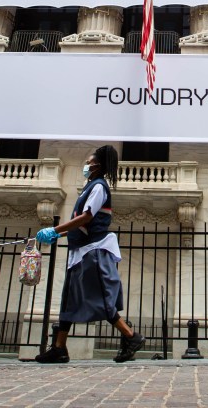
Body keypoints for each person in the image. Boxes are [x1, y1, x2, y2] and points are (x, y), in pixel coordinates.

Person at [33, 145, 146, 364]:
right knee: (68, 299)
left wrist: (55, 230)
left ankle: (131, 336)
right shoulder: (88, 188)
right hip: (80, 251)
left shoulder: (99, 187)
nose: (86, 164)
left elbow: (87, 217)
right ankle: (59, 347)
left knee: (99, 298)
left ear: (98, 165)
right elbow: (83, 222)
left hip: (93, 251)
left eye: (89, 161)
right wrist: (62, 234)